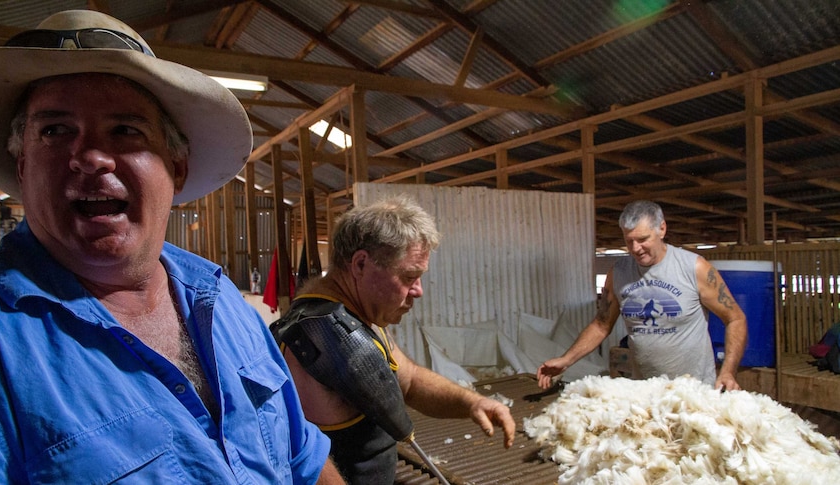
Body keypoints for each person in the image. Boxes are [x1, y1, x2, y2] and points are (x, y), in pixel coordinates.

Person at [0, 10, 343, 484]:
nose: (91, 157)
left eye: (126, 130)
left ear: (176, 168)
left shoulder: (223, 300)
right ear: (23, 164)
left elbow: (304, 462)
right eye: (55, 130)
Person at [270, 196, 516, 484]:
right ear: (360, 264)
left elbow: (409, 380)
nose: (418, 291)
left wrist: (471, 403)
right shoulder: (315, 341)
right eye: (409, 276)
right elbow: (302, 455)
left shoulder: (353, 319)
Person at [537, 200, 748, 391]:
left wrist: (728, 371)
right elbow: (601, 325)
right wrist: (566, 360)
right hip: (645, 392)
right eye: (629, 241)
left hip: (693, 392)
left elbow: (735, 318)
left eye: (642, 239)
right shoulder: (619, 272)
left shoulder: (694, 268)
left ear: (662, 229)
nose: (635, 249)